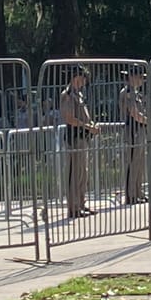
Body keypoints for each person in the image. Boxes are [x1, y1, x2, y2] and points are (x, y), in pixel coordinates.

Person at [58, 66, 96, 219]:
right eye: (82, 77)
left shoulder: (78, 94)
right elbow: (69, 118)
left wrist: (91, 126)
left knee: (82, 173)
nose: (84, 81)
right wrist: (87, 126)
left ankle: (81, 203)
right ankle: (73, 207)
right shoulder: (67, 95)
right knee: (74, 173)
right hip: (74, 138)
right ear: (75, 77)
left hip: (83, 138)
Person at [120, 66, 149, 204]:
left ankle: (138, 192)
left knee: (139, 163)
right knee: (132, 162)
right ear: (132, 77)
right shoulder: (128, 93)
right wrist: (147, 120)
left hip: (140, 130)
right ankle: (131, 194)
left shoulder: (136, 93)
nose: (141, 79)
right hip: (133, 130)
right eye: (139, 77)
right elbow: (133, 112)